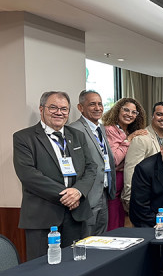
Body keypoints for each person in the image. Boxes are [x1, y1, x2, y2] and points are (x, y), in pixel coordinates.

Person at [13, 91, 97, 260]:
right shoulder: (24, 137)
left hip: (76, 215)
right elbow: (28, 175)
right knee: (42, 271)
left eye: (64, 109)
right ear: (41, 109)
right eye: (53, 107)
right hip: (42, 217)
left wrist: (78, 192)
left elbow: (91, 167)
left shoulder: (77, 136)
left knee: (75, 268)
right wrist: (67, 195)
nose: (59, 112)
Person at [70, 90, 116, 236]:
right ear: (80, 107)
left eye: (100, 104)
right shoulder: (74, 129)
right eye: (92, 104)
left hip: (104, 191)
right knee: (86, 237)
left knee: (102, 235)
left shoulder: (101, 128)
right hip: (88, 194)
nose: (98, 108)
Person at [103, 97, 147, 230]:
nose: (130, 114)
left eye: (134, 112)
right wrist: (128, 140)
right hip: (115, 179)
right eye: (126, 110)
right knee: (114, 219)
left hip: (127, 178)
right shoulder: (109, 129)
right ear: (118, 110)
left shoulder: (129, 130)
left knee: (122, 219)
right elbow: (114, 159)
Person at [123, 101, 163, 211]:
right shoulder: (141, 138)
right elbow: (131, 170)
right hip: (144, 200)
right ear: (152, 116)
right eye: (159, 114)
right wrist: (129, 199)